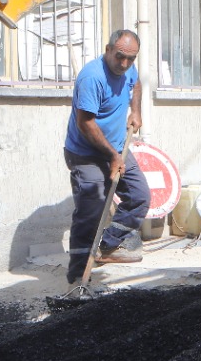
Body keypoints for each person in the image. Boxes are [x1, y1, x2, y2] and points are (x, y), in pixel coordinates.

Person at [64, 29, 150, 283]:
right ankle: (78, 277)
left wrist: (135, 111)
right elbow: (86, 124)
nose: (124, 64)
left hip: (115, 147)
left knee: (139, 196)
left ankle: (106, 246)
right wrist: (113, 156)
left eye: (130, 59)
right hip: (86, 153)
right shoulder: (92, 78)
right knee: (91, 212)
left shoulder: (128, 70)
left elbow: (136, 83)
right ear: (108, 50)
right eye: (120, 57)